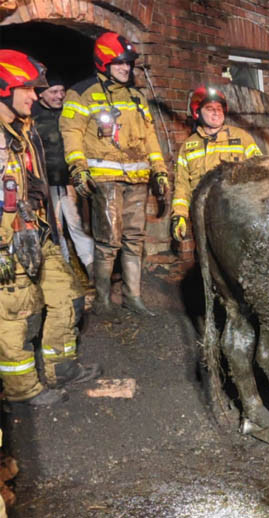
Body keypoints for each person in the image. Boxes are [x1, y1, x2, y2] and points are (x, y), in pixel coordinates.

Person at [0, 50, 101, 406]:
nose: (34, 95)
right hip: (6, 243)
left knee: (69, 294)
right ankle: (21, 388)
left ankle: (61, 366)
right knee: (15, 314)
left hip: (34, 229)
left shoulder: (21, 129)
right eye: (26, 88)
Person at [60, 32, 169, 316]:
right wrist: (78, 167)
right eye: (120, 64)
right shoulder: (82, 93)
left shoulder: (136, 96)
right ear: (103, 63)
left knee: (135, 239)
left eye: (129, 64)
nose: (126, 69)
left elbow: (149, 137)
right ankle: (103, 300)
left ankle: (133, 297)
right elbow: (71, 132)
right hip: (105, 180)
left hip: (137, 178)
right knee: (108, 242)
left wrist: (159, 170)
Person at [170, 85, 262, 242]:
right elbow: (182, 186)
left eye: (219, 108)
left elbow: (261, 172)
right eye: (210, 108)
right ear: (197, 112)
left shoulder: (242, 138)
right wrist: (179, 215)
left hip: (238, 215)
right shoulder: (188, 146)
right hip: (204, 217)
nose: (216, 112)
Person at [31, 72, 95, 279]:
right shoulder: (32, 117)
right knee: (54, 227)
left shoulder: (69, 113)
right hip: (46, 183)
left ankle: (92, 269)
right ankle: (65, 272)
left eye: (62, 91)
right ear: (41, 95)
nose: (60, 96)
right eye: (54, 92)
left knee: (78, 225)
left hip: (69, 181)